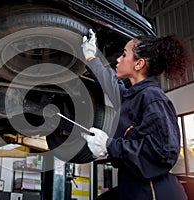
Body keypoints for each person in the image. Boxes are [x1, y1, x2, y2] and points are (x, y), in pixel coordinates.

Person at [81, 29, 192, 200]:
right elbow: (110, 83)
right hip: (133, 187)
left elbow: (163, 152)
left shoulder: (153, 98)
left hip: (155, 193)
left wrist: (110, 146)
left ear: (139, 64)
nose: (118, 59)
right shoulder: (133, 97)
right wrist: (90, 57)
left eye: (124, 54)